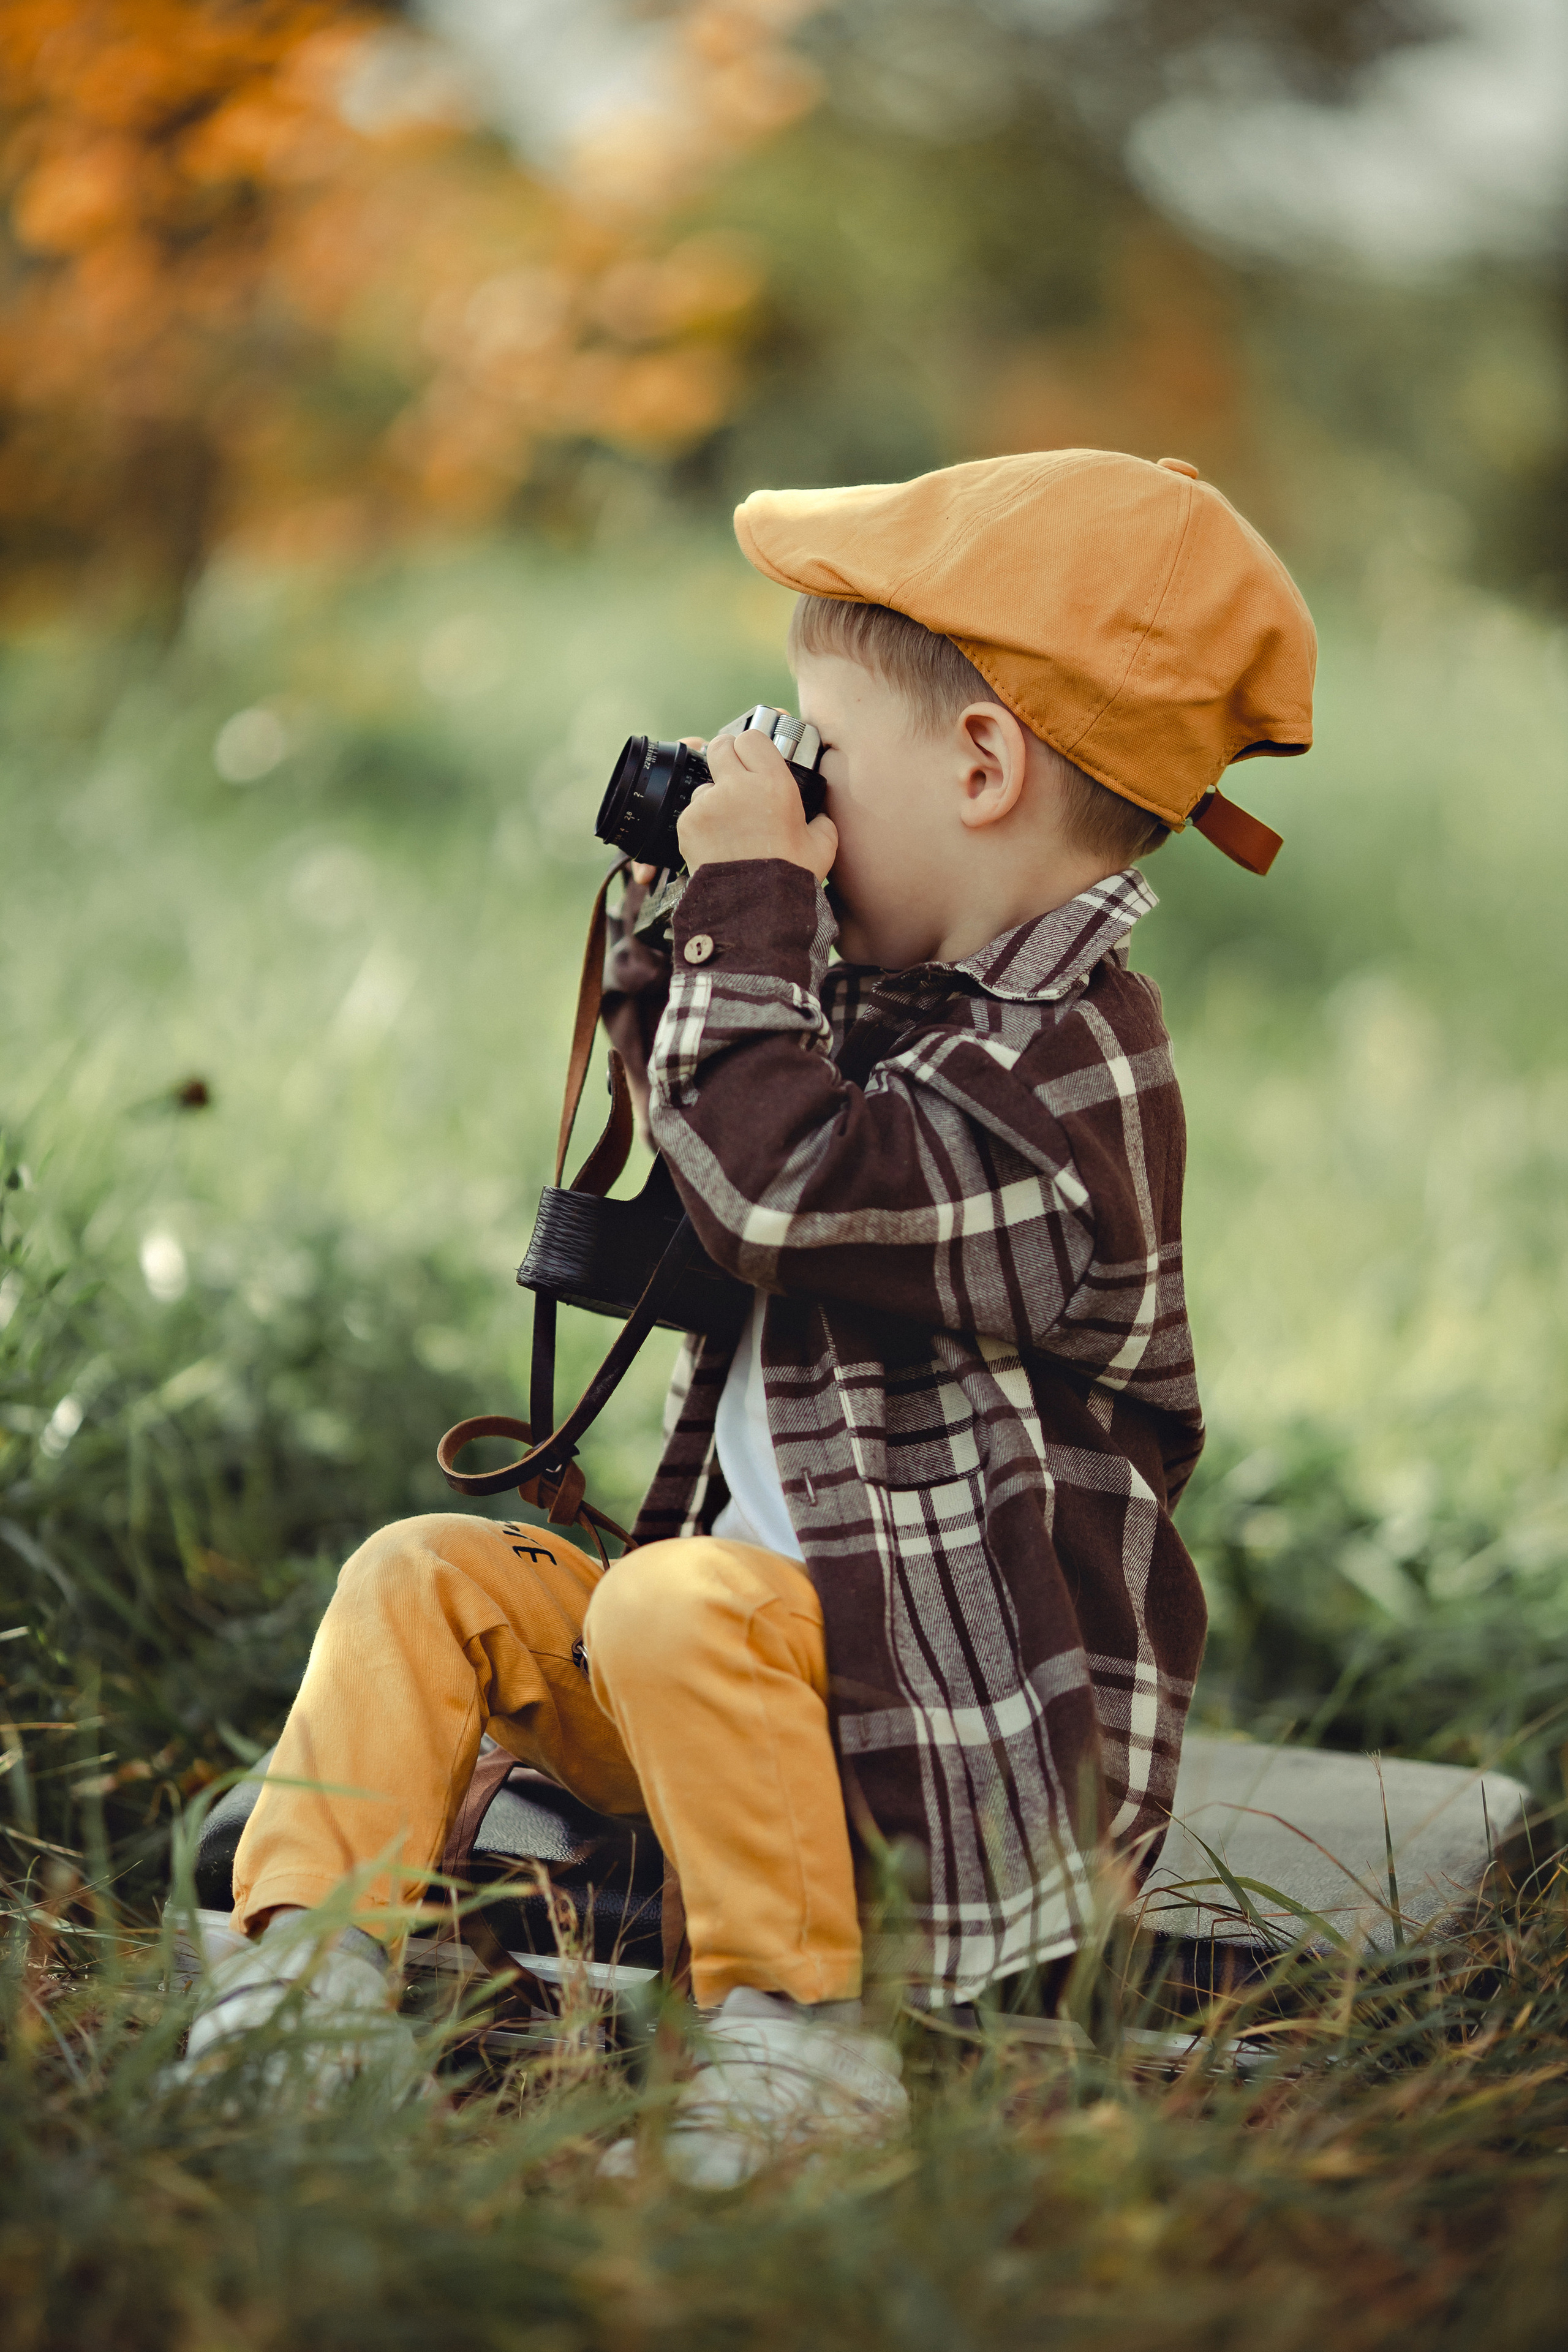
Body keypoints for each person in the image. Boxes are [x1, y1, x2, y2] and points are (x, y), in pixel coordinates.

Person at [181, 448, 1316, 2184]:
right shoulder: (895, 1003)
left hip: (959, 1753)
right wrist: (696, 919)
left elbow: (781, 1185)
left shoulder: (1075, 1070)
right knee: (427, 1573)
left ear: (987, 764)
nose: (799, 797)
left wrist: (753, 903)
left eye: (827, 758)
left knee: (674, 1602)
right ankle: (305, 1990)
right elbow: (721, 1131)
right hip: (747, 1685)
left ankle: (803, 2059)